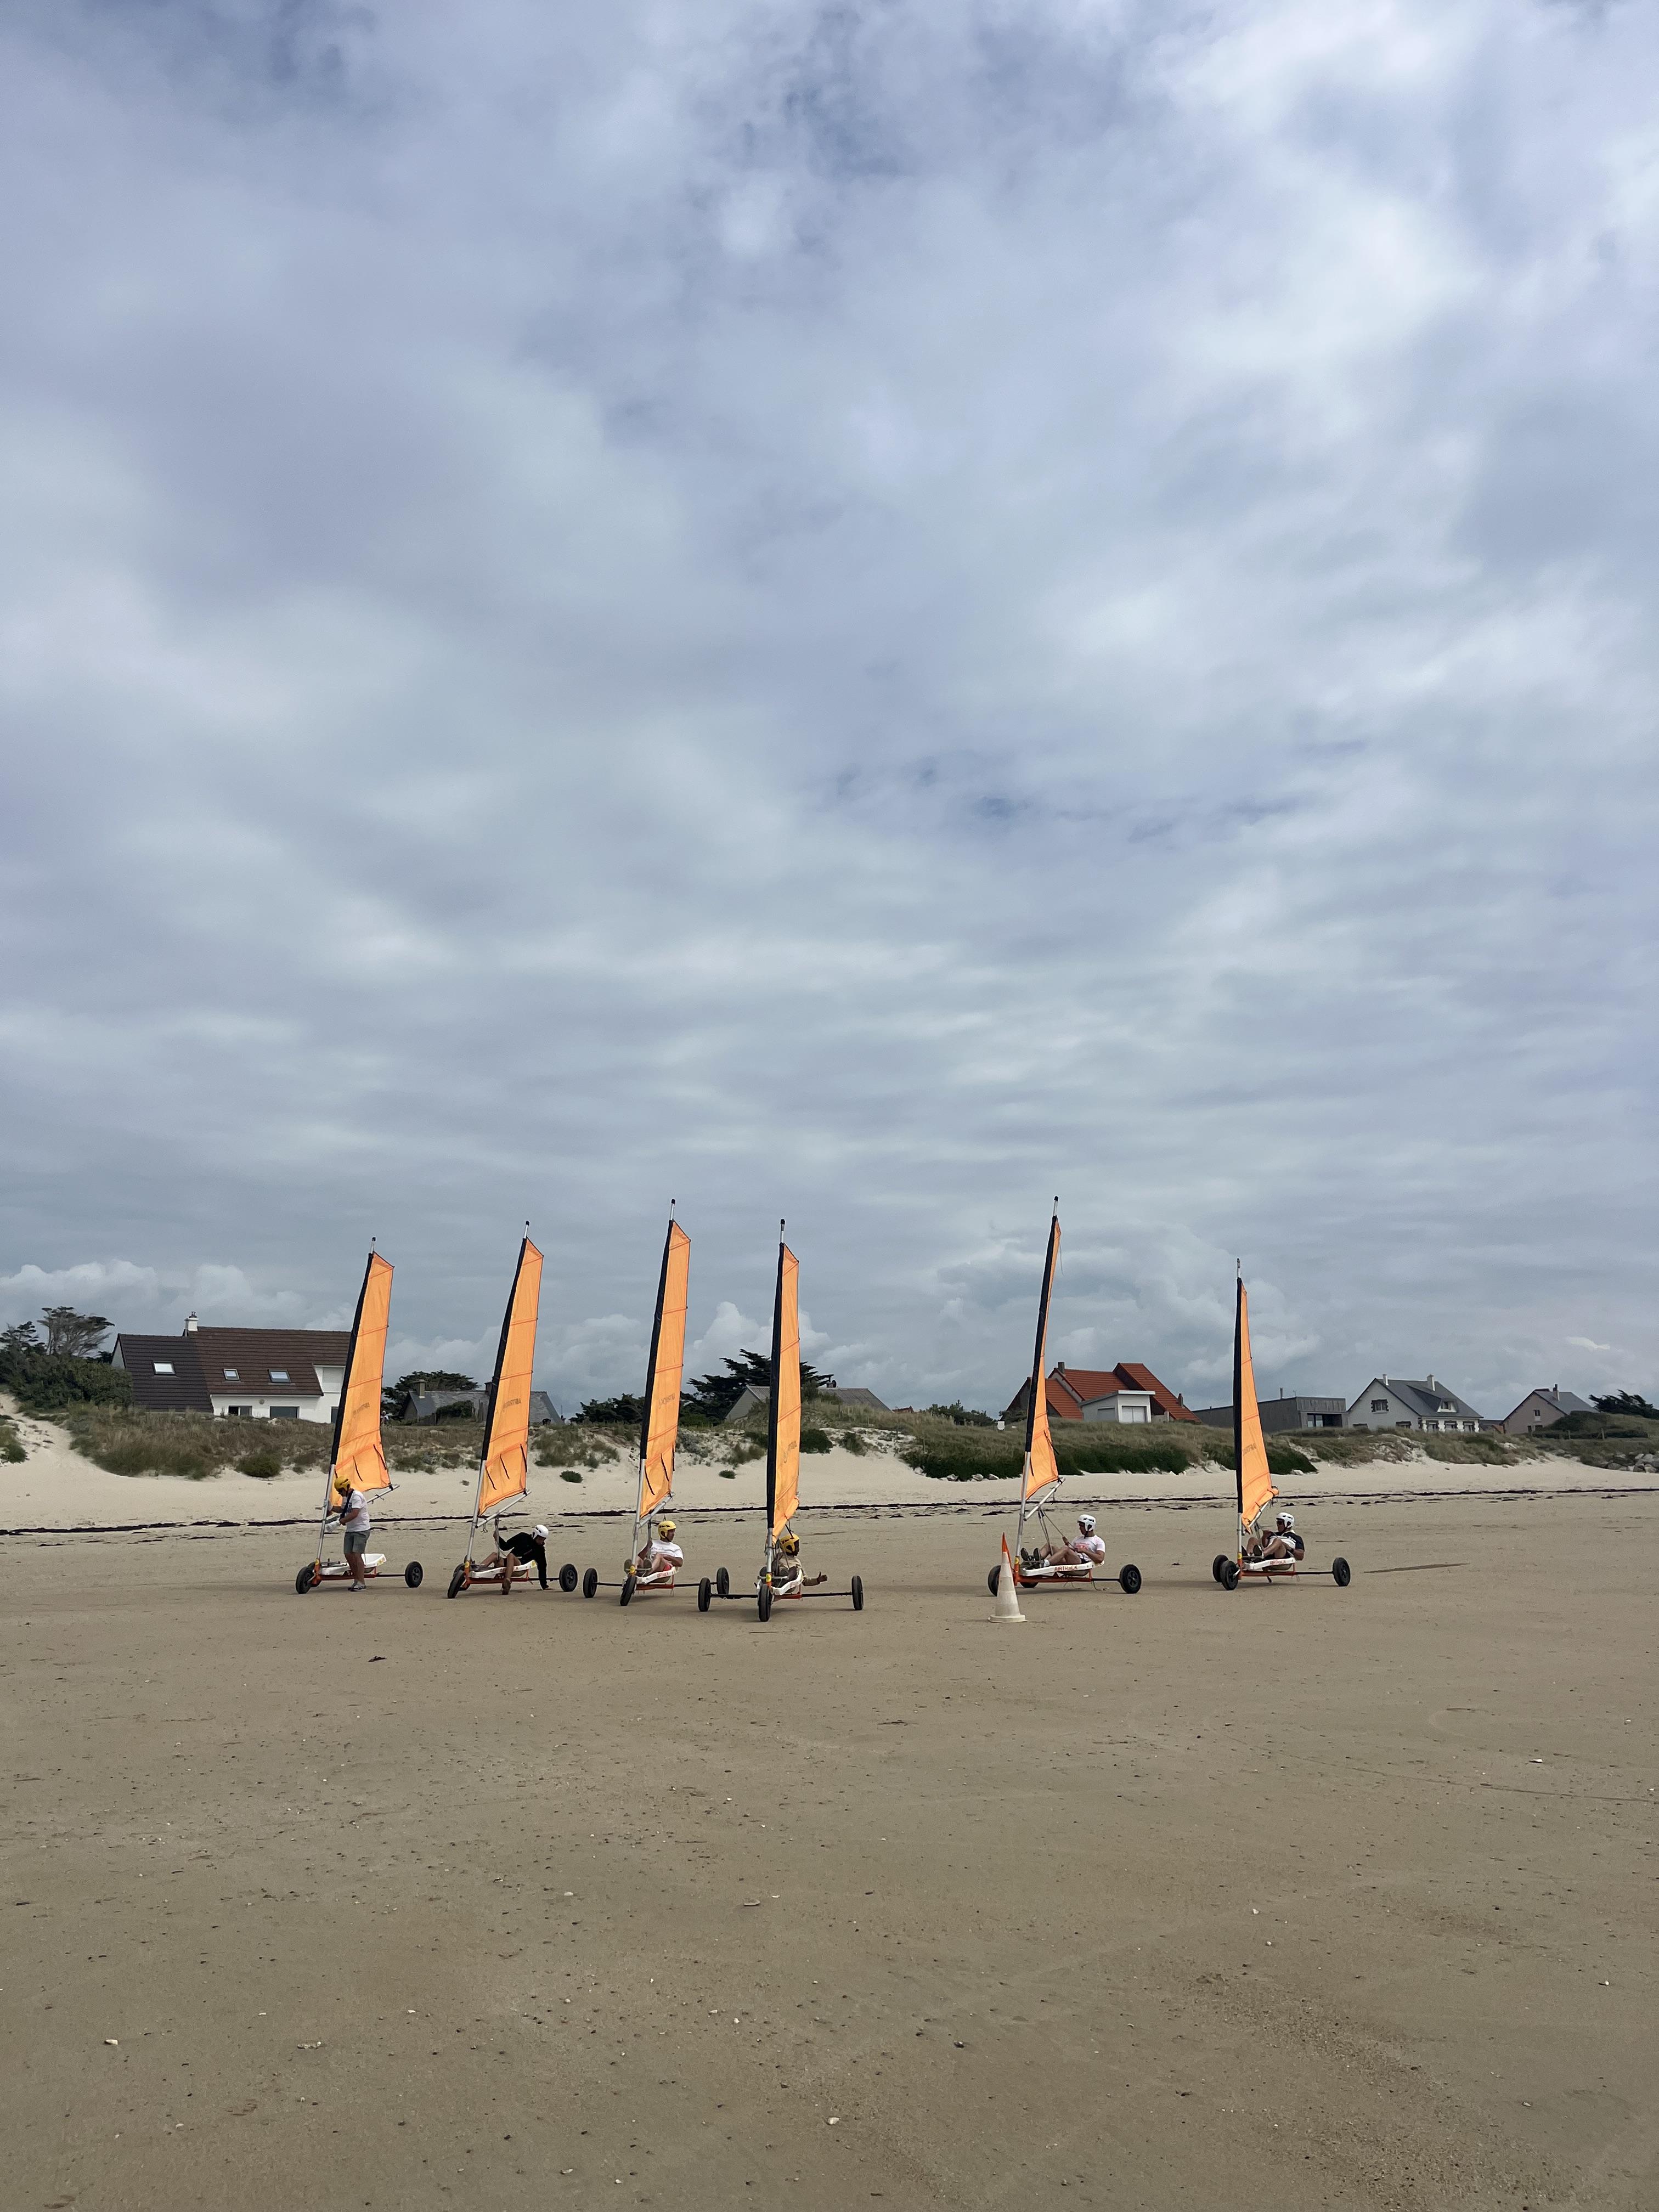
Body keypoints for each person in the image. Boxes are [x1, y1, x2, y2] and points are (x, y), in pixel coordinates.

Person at [334, 1475, 372, 1589]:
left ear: (346, 1487)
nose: (340, 1493)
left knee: (357, 1554)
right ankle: (356, 1579)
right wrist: (330, 1507)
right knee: (348, 1554)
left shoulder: (357, 1496)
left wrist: (339, 1522)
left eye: (341, 1491)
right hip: (351, 1530)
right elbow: (343, 1510)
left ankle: (362, 1582)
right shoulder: (346, 1498)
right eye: (338, 1491)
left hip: (361, 1530)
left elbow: (354, 1513)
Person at [765, 1527, 826, 1595]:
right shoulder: (779, 1556)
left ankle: (784, 1578)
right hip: (776, 1577)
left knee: (794, 1569)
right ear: (789, 1547)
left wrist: (817, 1580)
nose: (798, 1549)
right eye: (796, 1547)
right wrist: (777, 1559)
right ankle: (771, 1579)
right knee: (770, 1568)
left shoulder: (796, 1562)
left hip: (789, 1583)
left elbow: (805, 1581)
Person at [1040, 1512, 1108, 1568]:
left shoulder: (1098, 1541)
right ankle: (1035, 1561)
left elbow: (1100, 1559)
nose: (1080, 1528)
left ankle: (1045, 1563)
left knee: (1066, 1549)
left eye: (1081, 1526)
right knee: (1050, 1546)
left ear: (1089, 1527)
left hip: (1082, 1564)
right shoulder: (1078, 1538)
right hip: (1070, 1560)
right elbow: (1069, 1552)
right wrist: (1067, 1544)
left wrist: (1084, 1551)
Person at [630, 1516, 684, 1584]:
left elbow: (680, 1563)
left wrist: (666, 1556)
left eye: (674, 1531)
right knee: (638, 1558)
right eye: (671, 1532)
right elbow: (641, 1557)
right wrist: (648, 1547)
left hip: (664, 1569)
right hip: (649, 1564)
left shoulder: (675, 1548)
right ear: (664, 1533)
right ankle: (632, 1572)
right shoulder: (653, 1543)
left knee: (658, 1555)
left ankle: (648, 1573)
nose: (673, 1534)